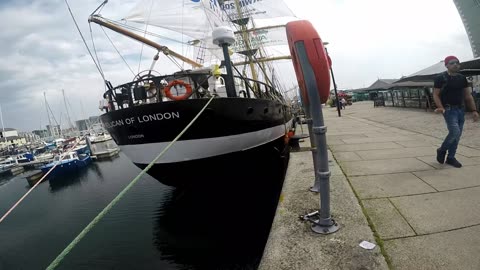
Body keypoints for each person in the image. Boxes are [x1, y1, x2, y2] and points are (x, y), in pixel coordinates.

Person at [433, 55, 479, 168]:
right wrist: (440, 107)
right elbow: (435, 94)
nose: (455, 64)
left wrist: (474, 110)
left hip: (460, 109)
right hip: (448, 110)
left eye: (457, 62)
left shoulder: (462, 78)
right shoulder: (440, 78)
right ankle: (442, 150)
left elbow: (468, 96)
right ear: (447, 65)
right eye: (452, 63)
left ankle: (451, 157)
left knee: (457, 136)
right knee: (455, 132)